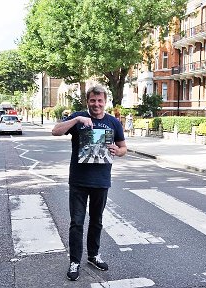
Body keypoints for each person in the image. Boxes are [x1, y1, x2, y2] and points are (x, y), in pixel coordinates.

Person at [52, 84, 127, 281]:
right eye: (92, 100)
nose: (96, 104)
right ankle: (75, 261)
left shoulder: (113, 122)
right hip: (78, 180)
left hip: (101, 181)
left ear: (105, 101)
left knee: (97, 221)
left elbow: (123, 148)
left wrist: (117, 151)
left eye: (100, 100)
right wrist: (76, 119)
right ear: (88, 101)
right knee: (76, 222)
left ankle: (93, 255)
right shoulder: (78, 118)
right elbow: (55, 131)